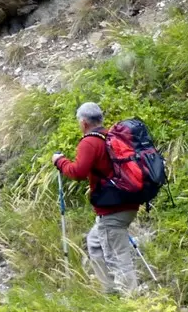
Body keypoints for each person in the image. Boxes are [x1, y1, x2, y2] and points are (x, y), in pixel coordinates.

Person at [54, 101, 140, 294]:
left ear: (83, 123)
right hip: (128, 203)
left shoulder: (90, 142)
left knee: (117, 257)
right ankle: (109, 291)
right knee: (95, 243)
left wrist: (60, 161)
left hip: (113, 209)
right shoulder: (111, 137)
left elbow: (77, 172)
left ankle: (131, 300)